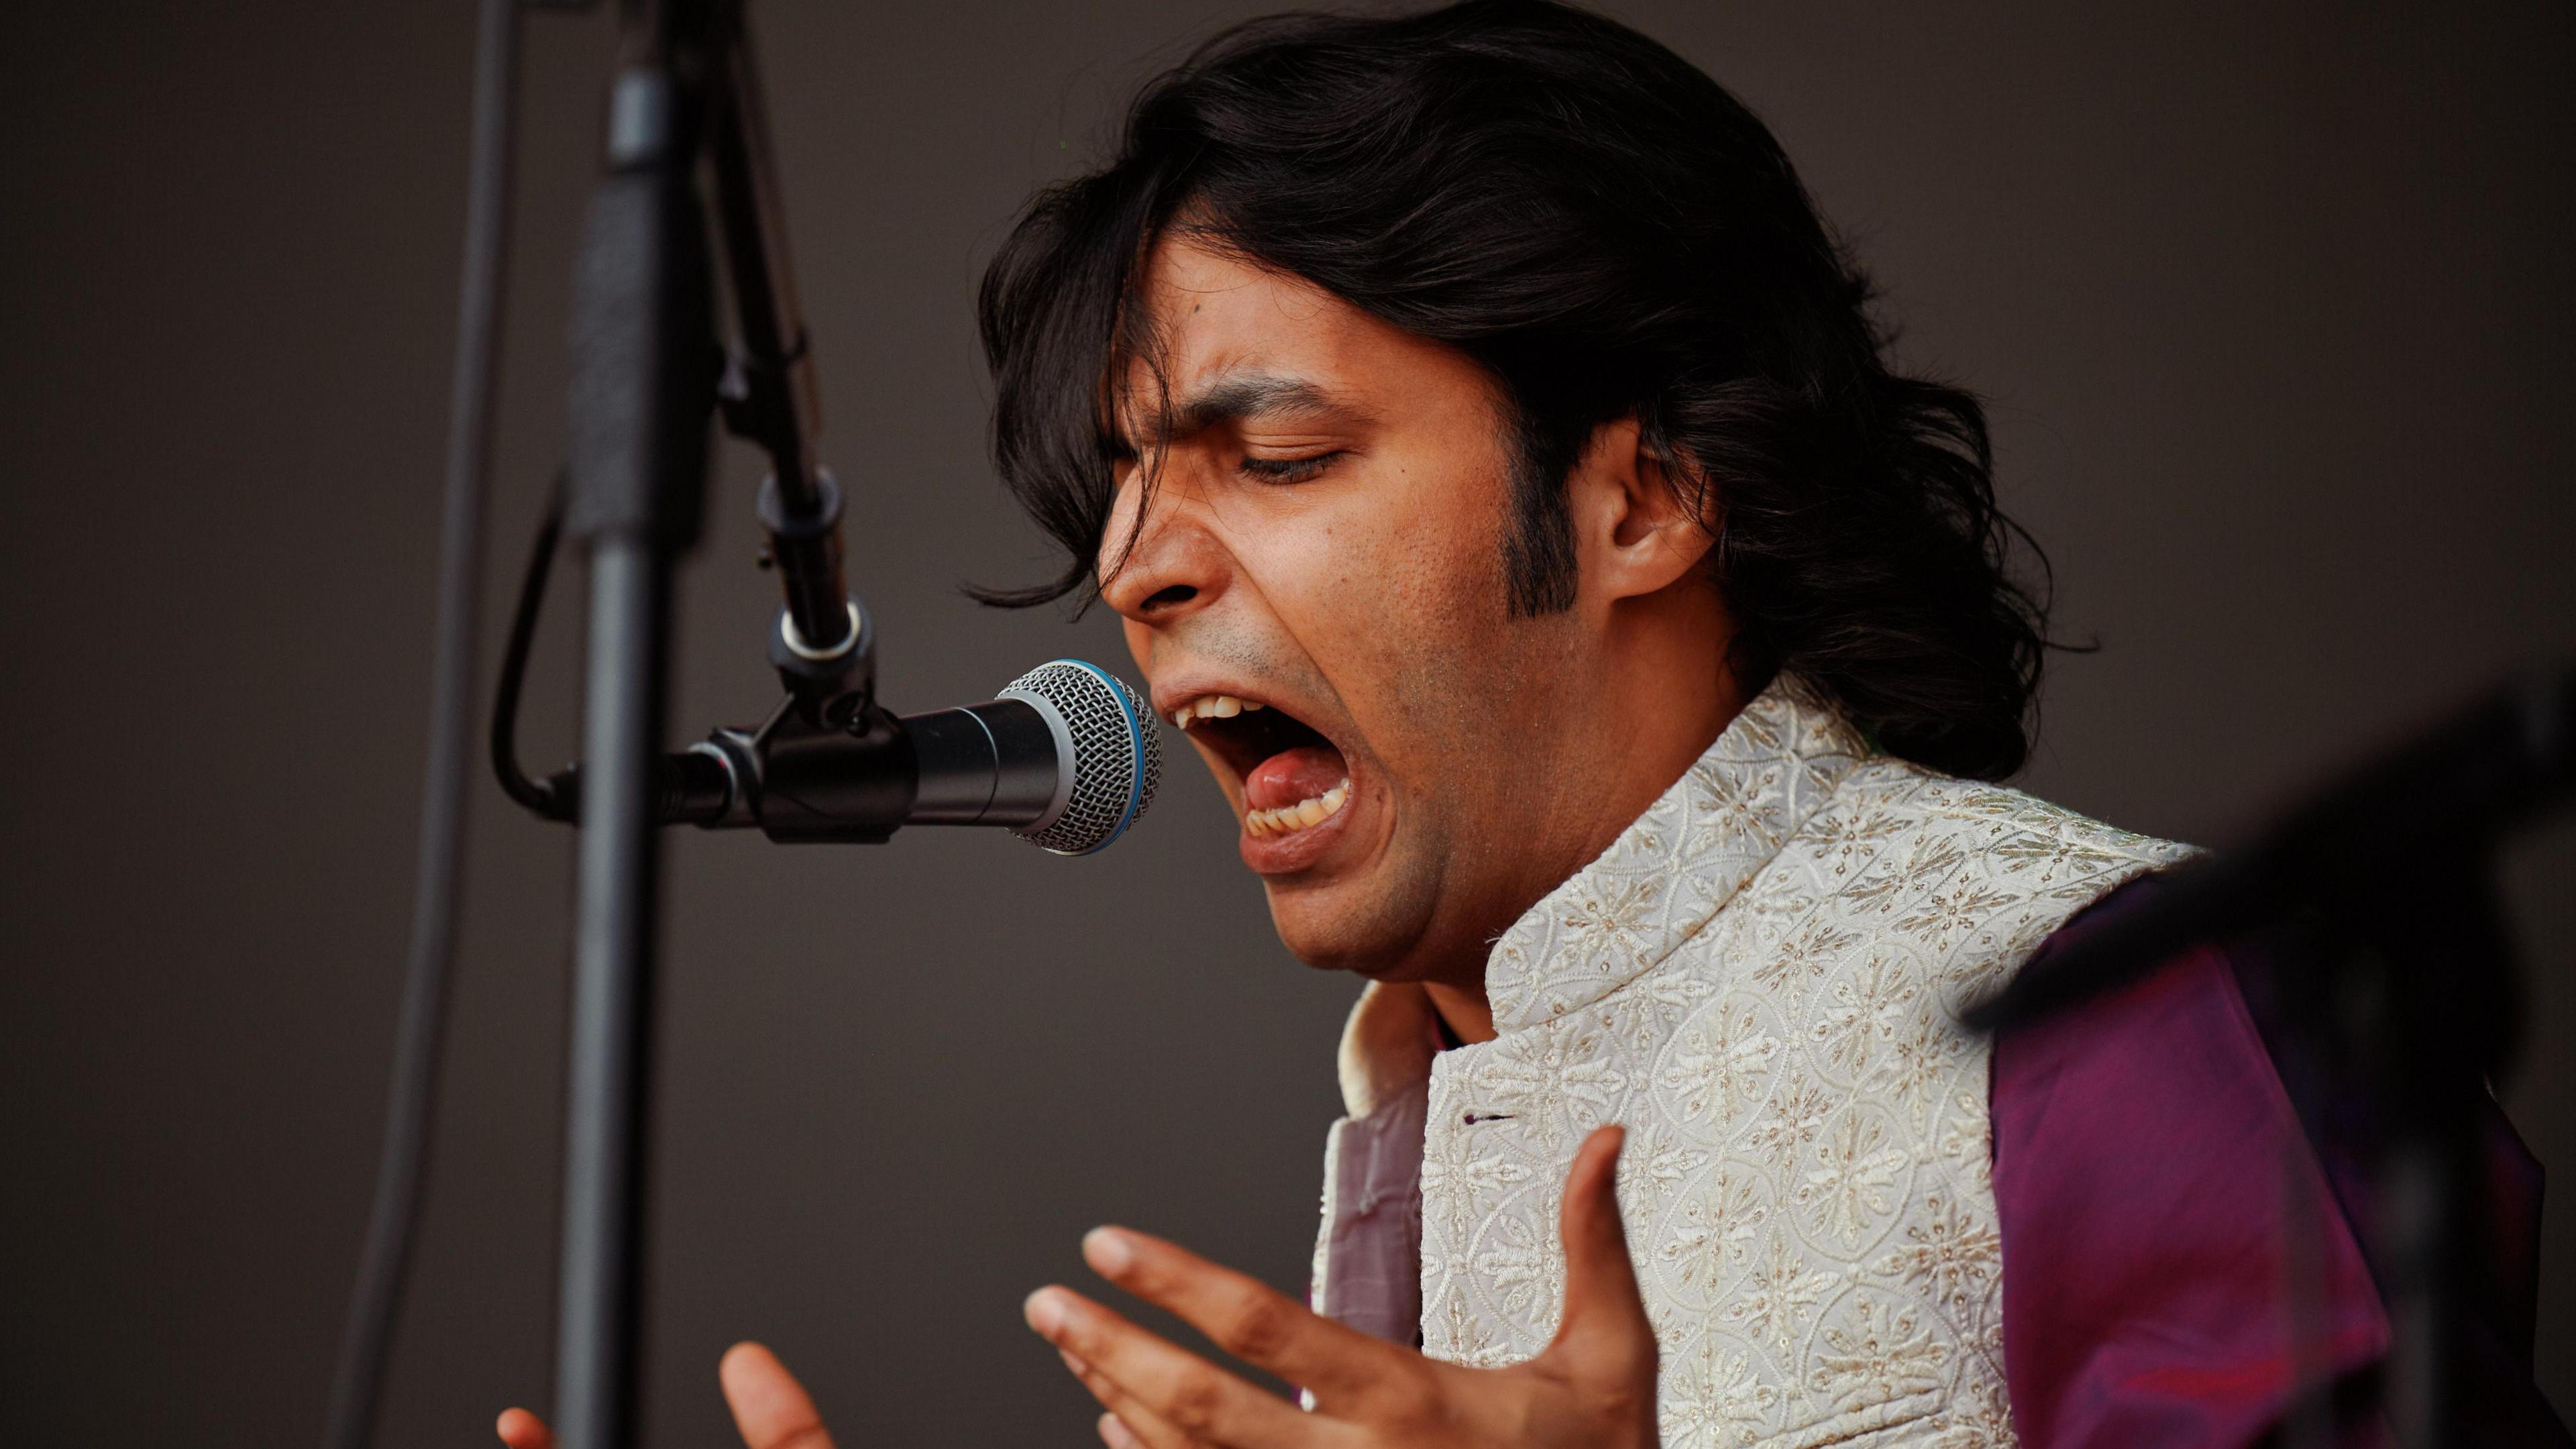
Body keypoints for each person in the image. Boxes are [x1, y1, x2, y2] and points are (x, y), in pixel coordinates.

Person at [499, 3, 2559, 1445]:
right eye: (1120, 496)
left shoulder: (2128, 1011)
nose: (1137, 569)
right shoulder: (1419, 1098)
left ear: (1645, 496)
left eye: (1276, 455)